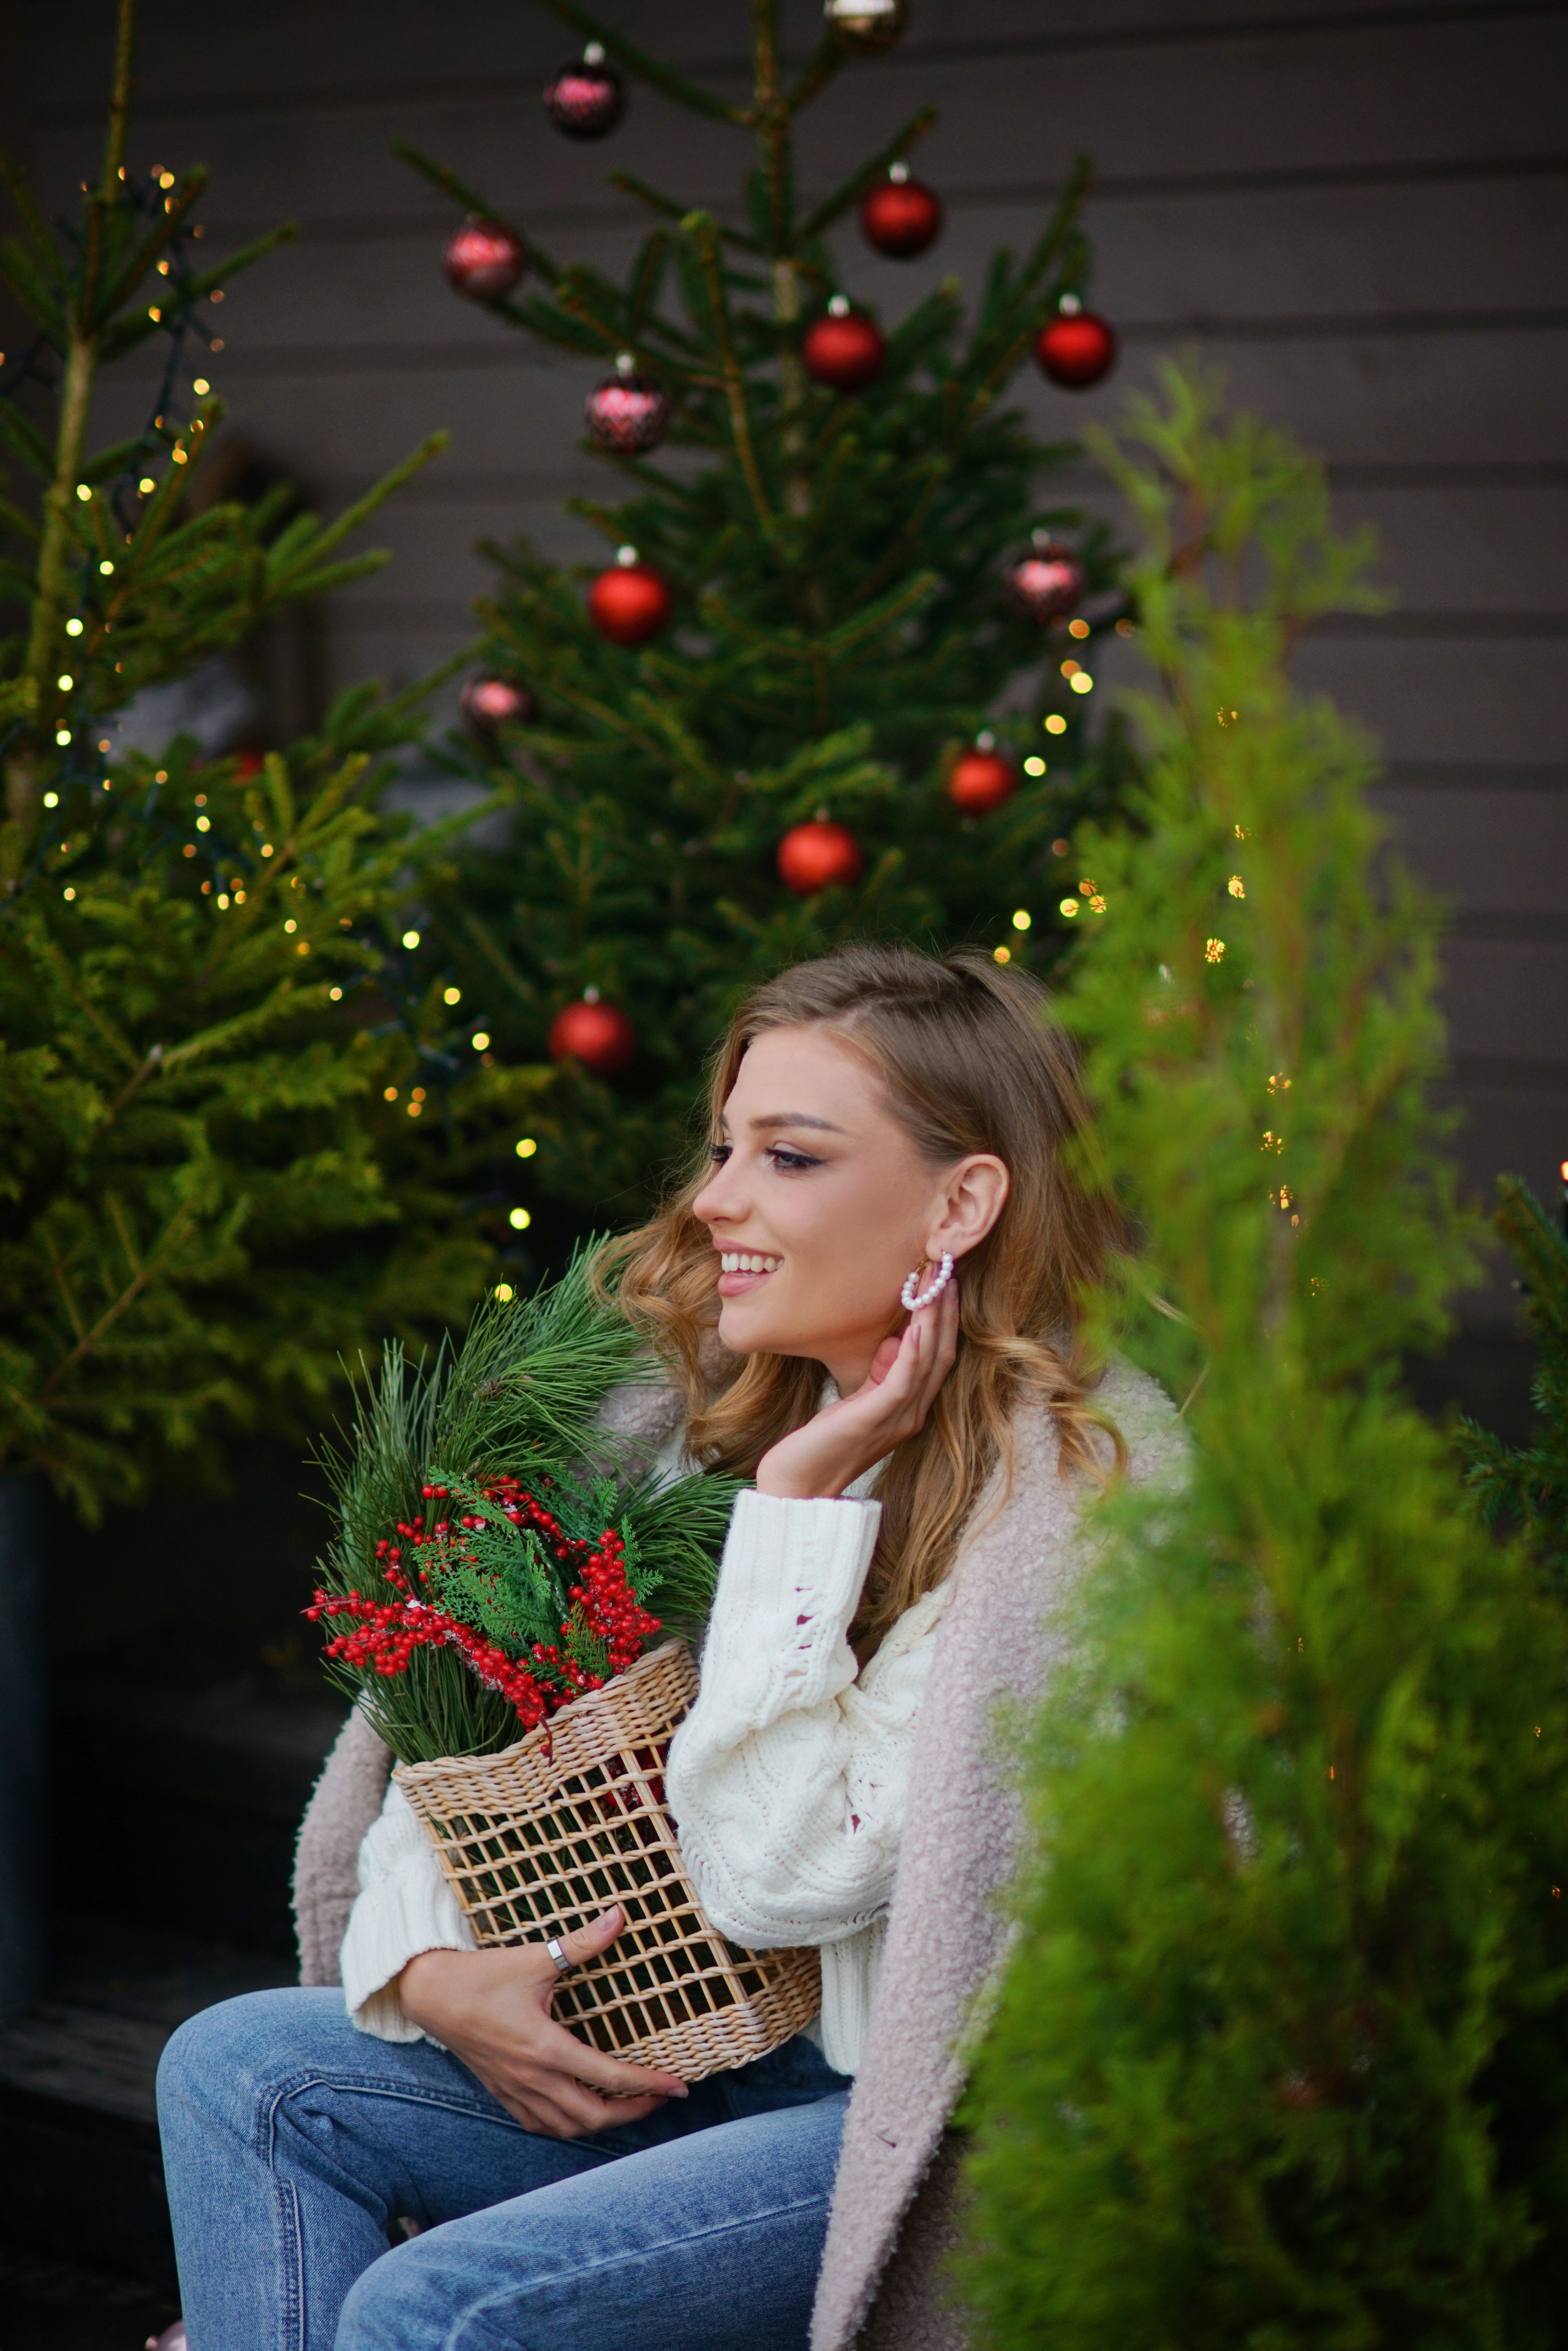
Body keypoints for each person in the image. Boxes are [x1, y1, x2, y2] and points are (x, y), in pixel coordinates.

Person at [156, 944, 1184, 2351]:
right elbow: (468, 1735)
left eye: (791, 1155)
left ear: (962, 1199)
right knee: (239, 2069)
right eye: (722, 1144)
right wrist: (434, 1979)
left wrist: (797, 1513)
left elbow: (779, 1873)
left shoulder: (1078, 1503)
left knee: (435, 2304)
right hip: (687, 2054)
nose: (716, 1198)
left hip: (913, 2119)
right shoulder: (681, 1407)